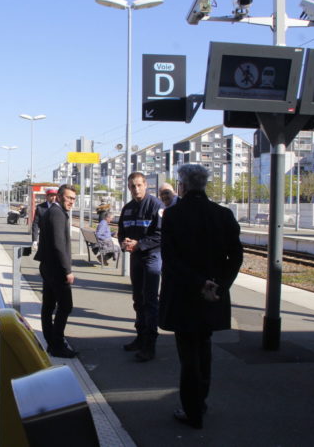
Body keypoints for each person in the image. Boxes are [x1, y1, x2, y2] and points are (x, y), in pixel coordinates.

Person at [159, 164, 243, 429]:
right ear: (204, 185)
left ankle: (191, 410)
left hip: (184, 296)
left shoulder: (173, 216)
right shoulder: (223, 214)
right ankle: (201, 402)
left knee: (188, 354)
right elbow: (236, 256)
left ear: (181, 186)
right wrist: (218, 285)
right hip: (213, 298)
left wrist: (199, 282)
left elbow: (170, 261)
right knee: (204, 349)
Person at [117, 172, 164, 362]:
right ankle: (140, 337)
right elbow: (121, 231)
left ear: (146, 185)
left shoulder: (157, 206)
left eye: (139, 185)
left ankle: (150, 345)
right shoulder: (127, 208)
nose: (136, 189)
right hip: (136, 258)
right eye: (132, 186)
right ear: (128, 188)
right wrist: (123, 242)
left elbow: (162, 234)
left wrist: (139, 244)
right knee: (137, 299)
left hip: (152, 257)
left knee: (150, 301)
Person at [34, 184, 78, 358]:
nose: (71, 202)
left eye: (73, 199)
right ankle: (57, 343)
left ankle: (51, 342)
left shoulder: (51, 212)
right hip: (57, 269)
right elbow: (59, 245)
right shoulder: (58, 214)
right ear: (59, 196)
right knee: (66, 306)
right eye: (68, 198)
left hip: (48, 267)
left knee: (49, 306)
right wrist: (67, 270)